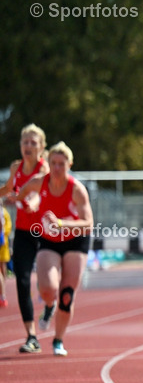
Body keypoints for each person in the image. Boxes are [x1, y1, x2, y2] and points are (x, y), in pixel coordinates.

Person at [15, 142, 93, 357]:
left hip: (75, 240)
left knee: (66, 295)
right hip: (49, 240)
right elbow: (21, 193)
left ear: (70, 165)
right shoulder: (40, 182)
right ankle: (49, 305)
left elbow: (88, 224)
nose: (57, 168)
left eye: (61, 164)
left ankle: (58, 339)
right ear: (48, 163)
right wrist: (23, 202)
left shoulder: (76, 190)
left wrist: (62, 223)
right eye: (54, 163)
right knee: (48, 289)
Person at [0, 124, 50, 353]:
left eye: (33, 143)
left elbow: (38, 194)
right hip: (22, 231)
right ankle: (31, 336)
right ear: (20, 145)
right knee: (22, 281)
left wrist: (31, 203)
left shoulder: (44, 168)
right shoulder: (16, 167)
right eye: (25, 142)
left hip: (43, 230)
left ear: (41, 146)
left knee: (46, 283)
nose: (28, 146)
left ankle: (50, 304)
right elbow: (9, 188)